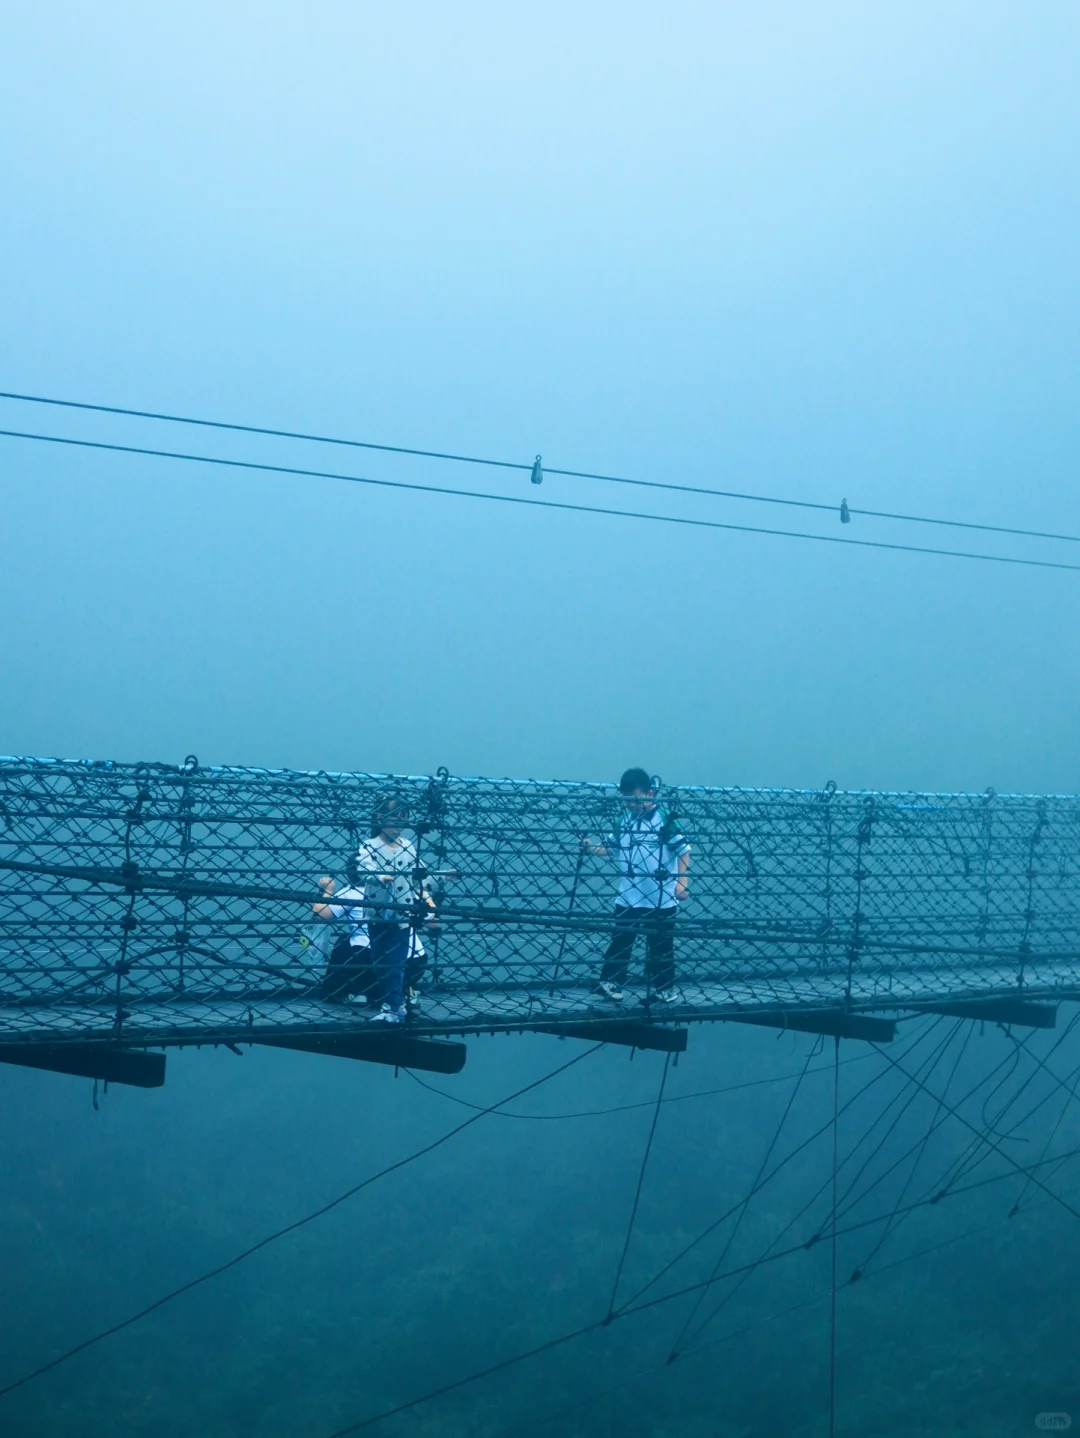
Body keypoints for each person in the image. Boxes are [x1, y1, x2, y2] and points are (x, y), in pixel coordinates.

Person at [581, 767, 690, 1005]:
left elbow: (684, 852)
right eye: (627, 800)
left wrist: (681, 884)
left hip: (661, 898)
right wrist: (590, 848)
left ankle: (665, 989)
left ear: (650, 793)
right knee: (620, 939)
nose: (631, 805)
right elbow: (611, 849)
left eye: (635, 799)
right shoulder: (625, 821)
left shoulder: (666, 821)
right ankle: (611, 984)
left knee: (660, 946)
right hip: (629, 896)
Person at [354, 795, 435, 1024]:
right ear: (380, 819)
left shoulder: (407, 847)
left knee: (395, 961)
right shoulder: (370, 846)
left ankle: (395, 1006)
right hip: (377, 913)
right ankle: (393, 1002)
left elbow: (421, 875)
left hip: (401, 915)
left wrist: (442, 878)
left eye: (402, 822)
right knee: (379, 961)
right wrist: (379, 877)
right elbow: (363, 869)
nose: (399, 827)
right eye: (395, 821)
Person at [311, 860, 377, 1004]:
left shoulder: (351, 893)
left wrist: (327, 891)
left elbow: (320, 915)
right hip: (410, 958)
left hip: (369, 957)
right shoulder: (397, 890)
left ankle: (334, 993)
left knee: (344, 943)